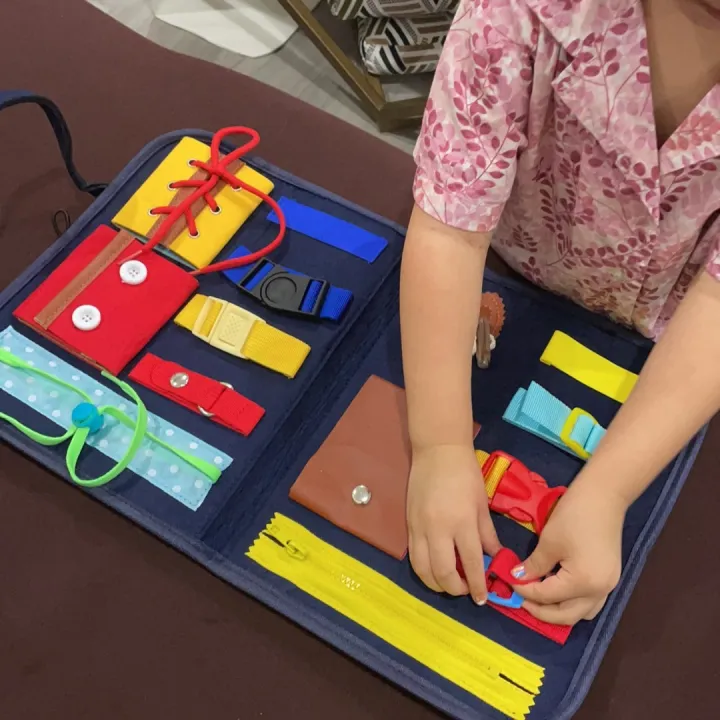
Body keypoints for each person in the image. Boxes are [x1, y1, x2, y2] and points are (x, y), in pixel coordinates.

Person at [401, 0, 720, 626]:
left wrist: (608, 491)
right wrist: (438, 446)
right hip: (508, 270)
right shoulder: (519, 11)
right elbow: (450, 228)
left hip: (672, 346)